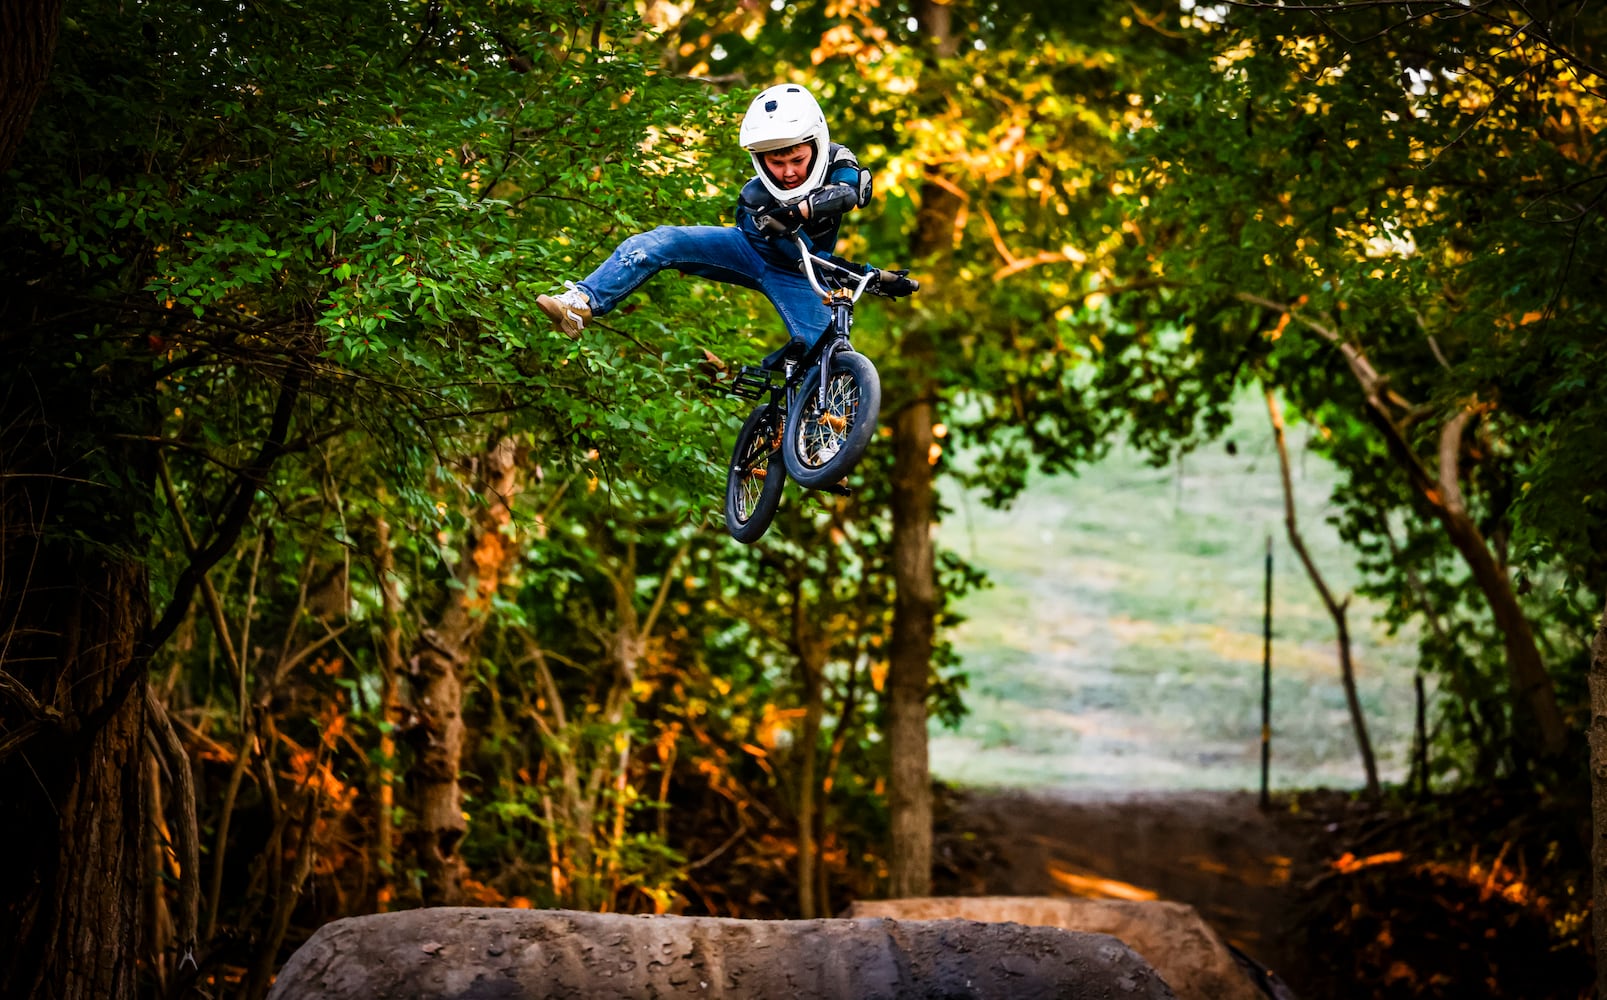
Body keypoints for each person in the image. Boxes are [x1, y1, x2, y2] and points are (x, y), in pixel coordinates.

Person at [536, 82, 916, 345]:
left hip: (801, 270)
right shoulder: (755, 195)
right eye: (775, 162)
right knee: (659, 241)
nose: (787, 172)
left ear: (815, 145)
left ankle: (824, 434)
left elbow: (851, 192)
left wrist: (873, 277)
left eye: (797, 160)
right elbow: (792, 251)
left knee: (828, 349)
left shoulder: (838, 159)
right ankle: (581, 303)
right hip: (747, 250)